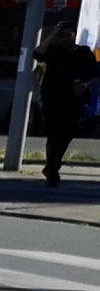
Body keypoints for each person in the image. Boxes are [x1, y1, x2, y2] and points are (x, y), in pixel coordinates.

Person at [33, 18, 97, 188]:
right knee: (53, 135)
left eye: (68, 35)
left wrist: (85, 85)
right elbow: (37, 53)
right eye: (62, 36)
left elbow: (95, 75)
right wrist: (53, 33)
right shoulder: (54, 51)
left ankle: (51, 167)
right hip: (52, 99)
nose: (65, 39)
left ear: (74, 36)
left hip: (74, 100)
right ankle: (52, 171)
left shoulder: (84, 53)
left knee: (65, 136)